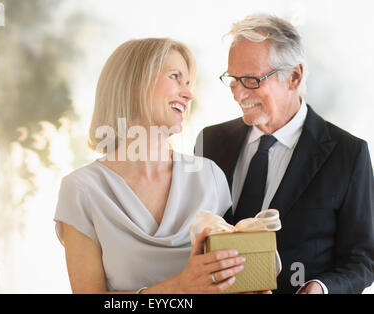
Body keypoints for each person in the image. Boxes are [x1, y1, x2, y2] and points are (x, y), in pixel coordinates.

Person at [195, 14, 374, 294]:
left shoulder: (348, 154)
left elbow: (362, 260)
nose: (238, 95)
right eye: (233, 80)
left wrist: (321, 287)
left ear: (294, 76)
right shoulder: (210, 141)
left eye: (251, 80)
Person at [54, 38, 247, 293]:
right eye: (175, 77)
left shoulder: (208, 177)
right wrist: (179, 288)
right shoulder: (81, 190)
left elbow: (228, 280)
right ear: (134, 84)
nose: (188, 94)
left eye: (188, 83)